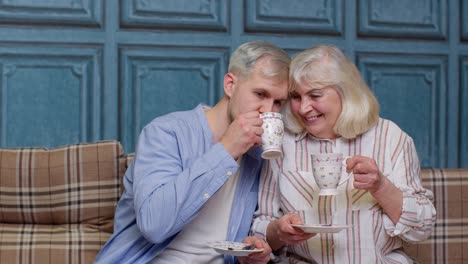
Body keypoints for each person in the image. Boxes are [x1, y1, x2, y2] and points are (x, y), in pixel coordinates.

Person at [94, 41, 290, 264]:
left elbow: (239, 239)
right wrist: (226, 150)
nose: (268, 111)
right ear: (230, 85)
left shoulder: (259, 157)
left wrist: (250, 254)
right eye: (260, 94)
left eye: (278, 103)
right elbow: (154, 225)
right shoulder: (166, 133)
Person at [250, 45, 436, 263]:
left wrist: (381, 187)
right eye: (296, 97)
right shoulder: (281, 144)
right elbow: (261, 224)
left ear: (346, 92)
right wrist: (278, 231)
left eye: (315, 95)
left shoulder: (391, 138)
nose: (303, 108)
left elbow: (421, 230)